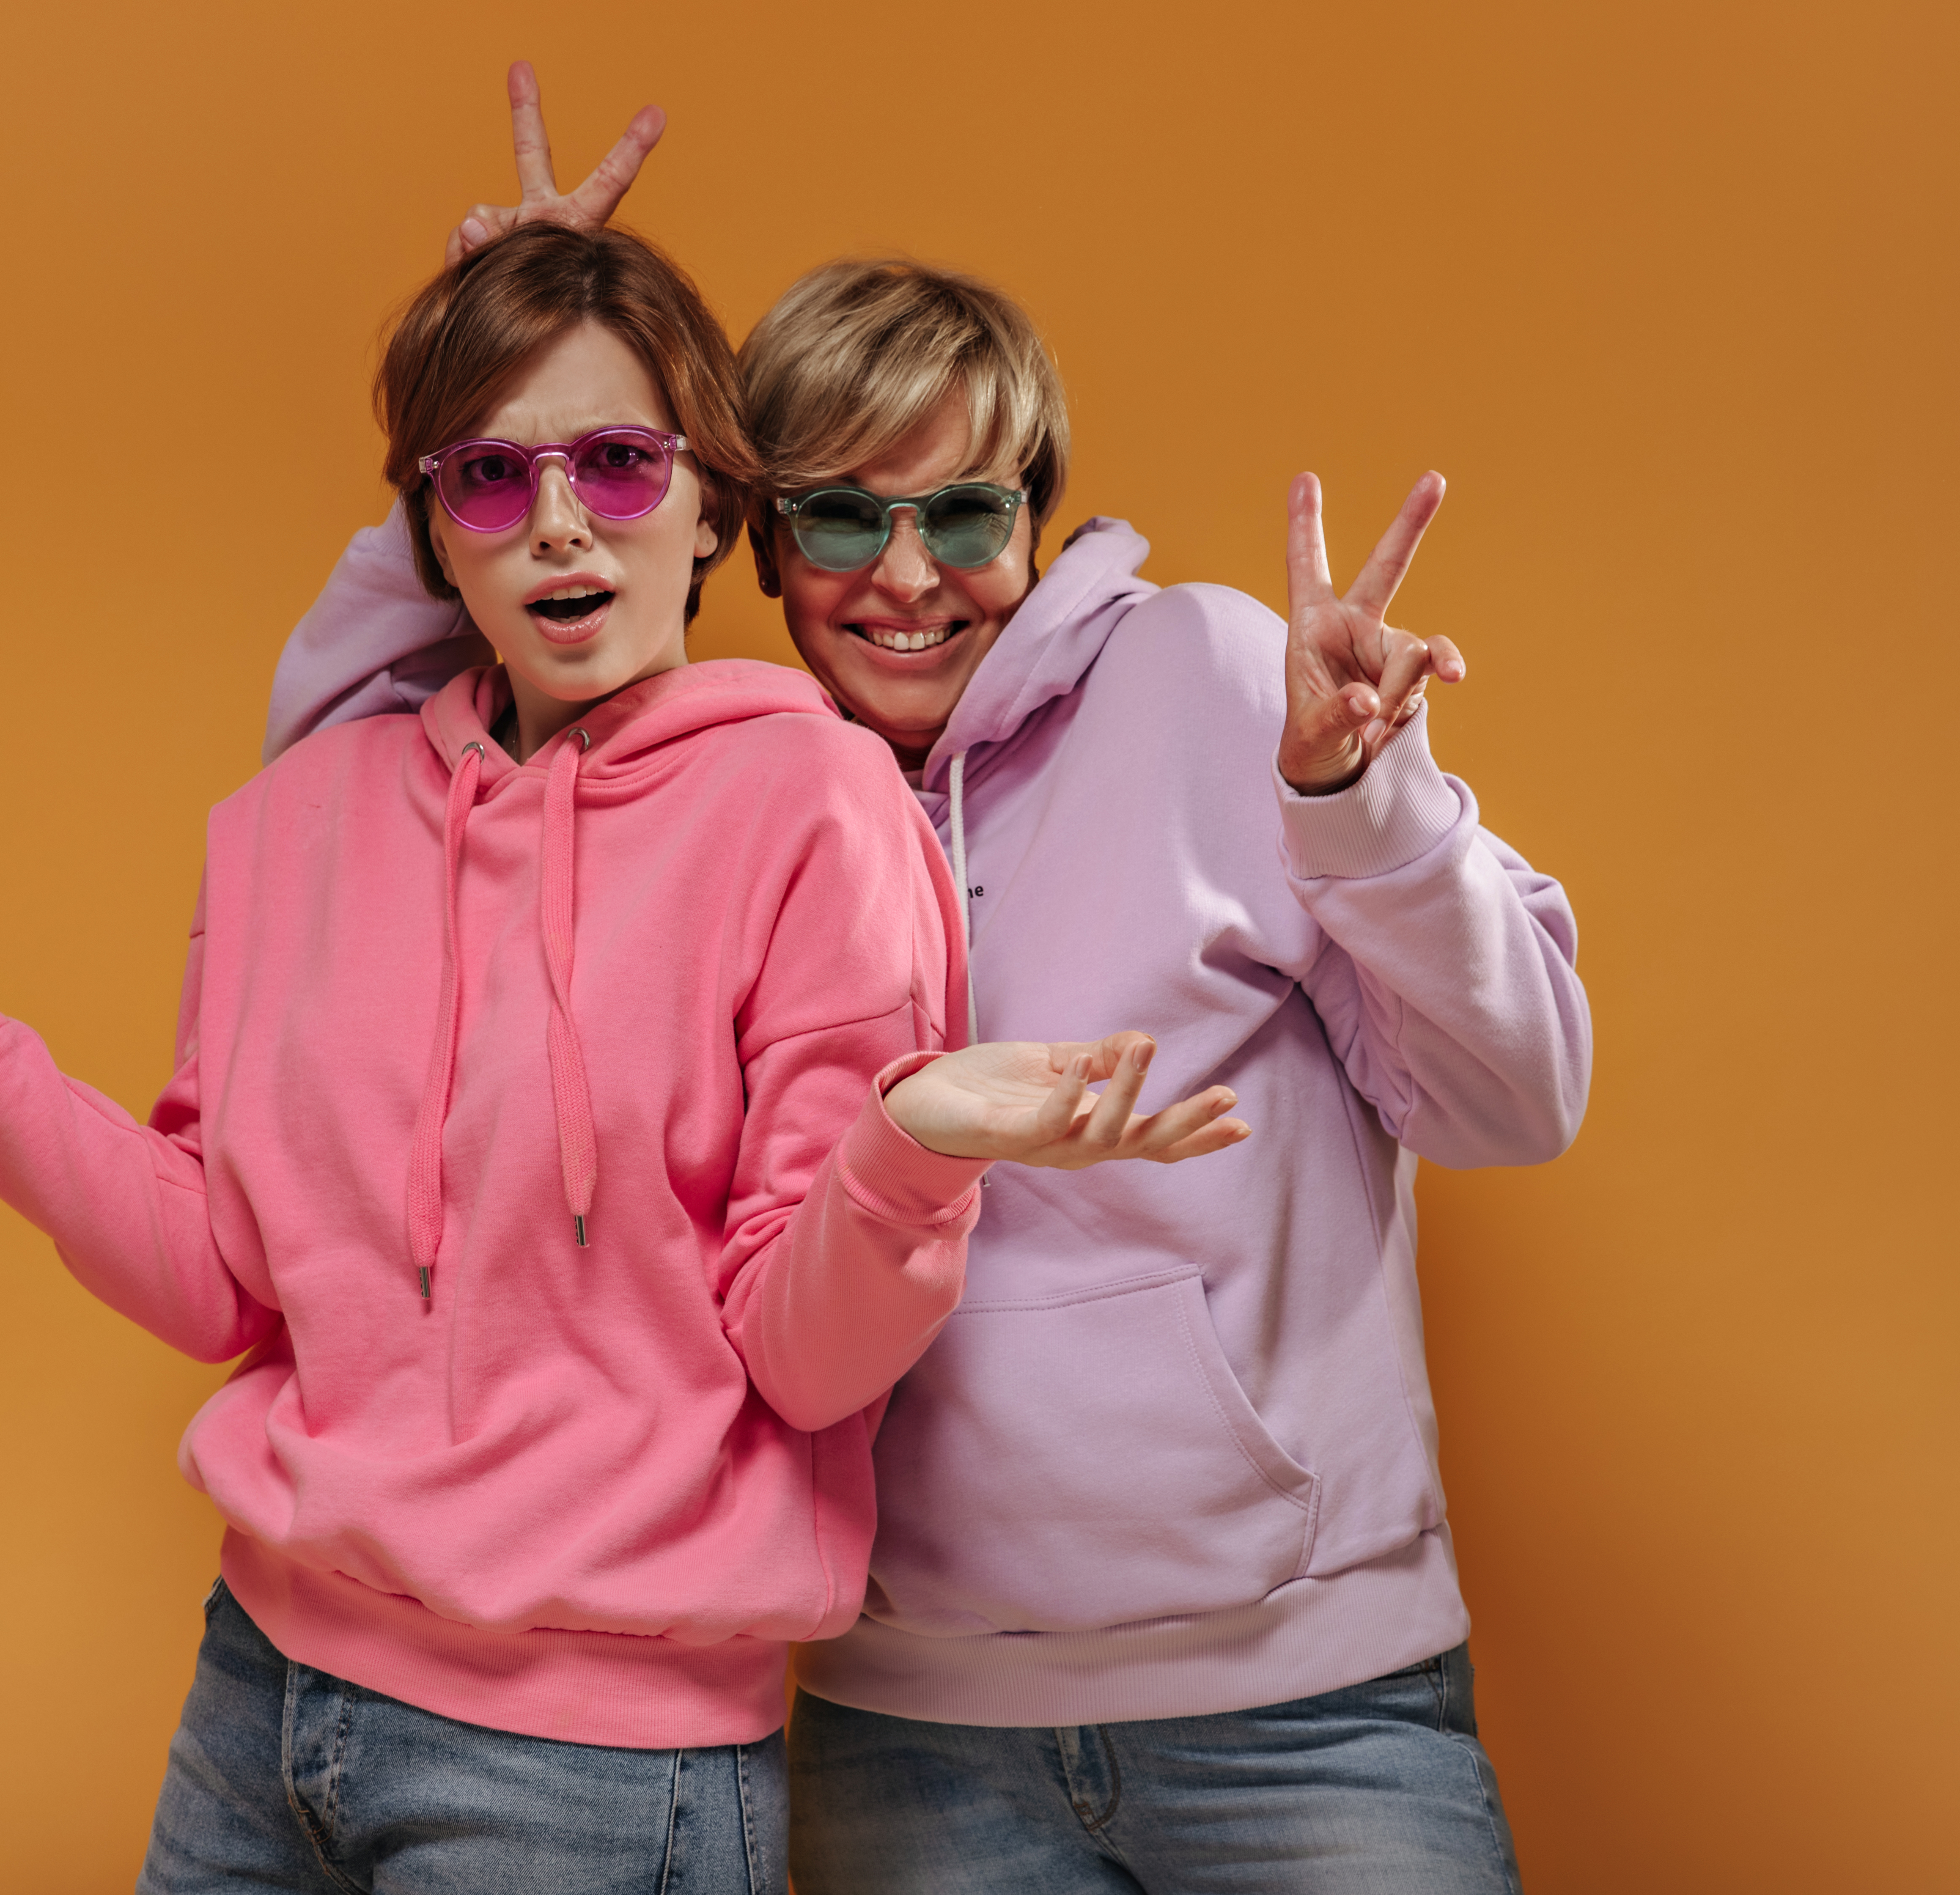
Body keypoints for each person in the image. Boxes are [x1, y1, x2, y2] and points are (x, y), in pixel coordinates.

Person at [0, 220, 1246, 1894]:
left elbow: (805, 1367)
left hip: (590, 1774)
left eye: (620, 461)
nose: (561, 520)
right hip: (260, 1696)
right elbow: (216, 1275)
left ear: (714, 500)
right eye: (492, 476)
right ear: (433, 530)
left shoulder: (813, 807)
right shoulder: (302, 820)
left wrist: (911, 1147)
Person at [265, 68, 1593, 1895]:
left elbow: (1517, 1100)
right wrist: (524, 395)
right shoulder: (733, 789)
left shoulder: (1218, 681)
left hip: (1306, 1704)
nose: (907, 580)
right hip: (904, 1726)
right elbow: (345, 794)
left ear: (1037, 518)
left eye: (964, 517)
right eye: (838, 521)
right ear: (755, 530)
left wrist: (1362, 806)